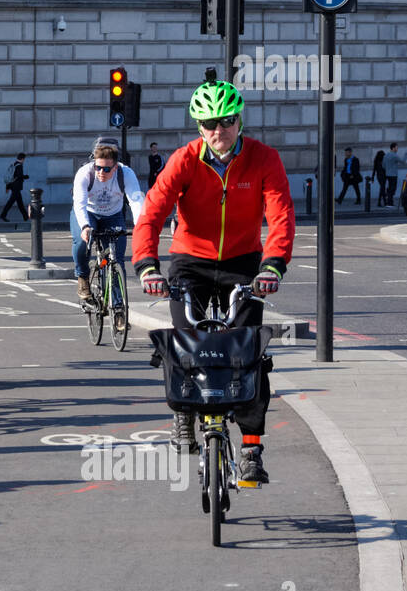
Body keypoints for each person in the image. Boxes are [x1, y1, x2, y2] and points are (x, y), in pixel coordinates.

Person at [133, 80, 294, 485]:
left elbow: (280, 215)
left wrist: (272, 266)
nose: (217, 131)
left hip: (243, 263)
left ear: (240, 121)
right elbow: (152, 213)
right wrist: (147, 266)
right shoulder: (184, 161)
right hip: (191, 261)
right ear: (199, 127)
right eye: (207, 124)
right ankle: (183, 416)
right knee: (184, 342)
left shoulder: (264, 159)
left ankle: (252, 448)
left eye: (225, 122)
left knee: (249, 354)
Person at [72, 140, 146, 328]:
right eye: (98, 168)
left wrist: (141, 225)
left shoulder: (125, 173)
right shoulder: (84, 174)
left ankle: (119, 310)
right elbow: (79, 203)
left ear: (115, 166)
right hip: (89, 213)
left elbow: (136, 199)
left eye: (106, 169)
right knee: (82, 244)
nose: (101, 173)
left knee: (116, 260)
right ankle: (82, 277)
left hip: (113, 215)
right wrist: (85, 227)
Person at [0, 152, 29, 222]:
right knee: (10, 202)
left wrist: (7, 187)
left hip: (13, 186)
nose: (24, 161)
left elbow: (10, 176)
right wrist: (25, 176)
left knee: (20, 203)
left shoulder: (13, 164)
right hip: (16, 187)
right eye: (24, 159)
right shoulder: (19, 166)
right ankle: (3, 215)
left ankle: (25, 216)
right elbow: (18, 176)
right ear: (22, 159)